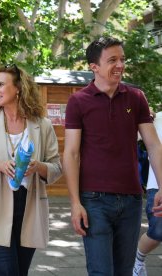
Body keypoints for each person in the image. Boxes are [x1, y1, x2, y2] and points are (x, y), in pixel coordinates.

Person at [63, 36, 162, 275]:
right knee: (101, 271)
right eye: (112, 60)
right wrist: (75, 203)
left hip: (131, 199)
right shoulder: (78, 101)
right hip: (94, 200)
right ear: (93, 66)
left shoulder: (136, 97)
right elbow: (72, 153)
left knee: (124, 271)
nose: (120, 65)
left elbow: (154, 145)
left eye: (122, 59)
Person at [0, 64, 62, 275]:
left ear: (18, 88)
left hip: (29, 209)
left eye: (1, 84)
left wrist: (38, 166)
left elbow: (56, 167)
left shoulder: (43, 125)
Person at [133, 110, 162, 276]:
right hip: (156, 184)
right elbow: (130, 136)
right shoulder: (156, 119)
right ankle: (138, 259)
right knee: (158, 231)